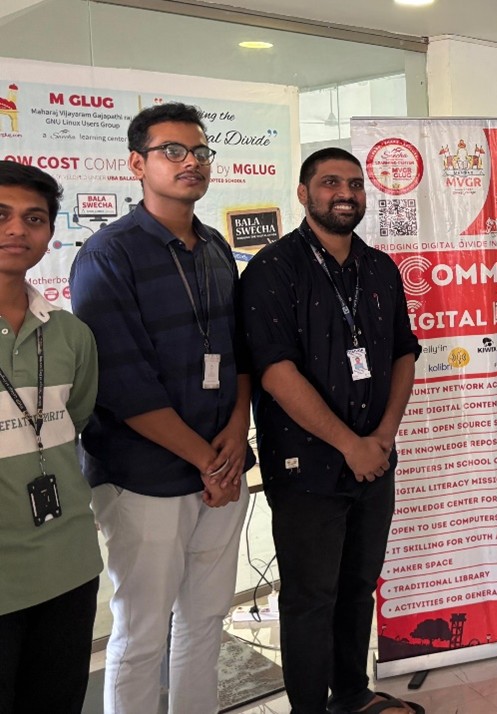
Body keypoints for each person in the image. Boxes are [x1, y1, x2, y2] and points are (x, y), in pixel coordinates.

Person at [69, 102, 253, 714]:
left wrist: (236, 433)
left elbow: (240, 352)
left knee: (206, 620)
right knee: (143, 631)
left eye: (200, 152)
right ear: (136, 164)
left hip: (220, 467)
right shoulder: (108, 255)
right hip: (144, 475)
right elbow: (125, 385)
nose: (190, 162)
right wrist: (209, 461)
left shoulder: (215, 247)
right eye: (172, 151)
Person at [240, 148, 422, 714]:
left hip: (375, 460)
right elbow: (275, 372)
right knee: (310, 598)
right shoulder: (273, 269)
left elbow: (404, 353)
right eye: (330, 183)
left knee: (358, 587)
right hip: (307, 468)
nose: (345, 193)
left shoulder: (380, 267)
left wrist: (382, 438)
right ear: (303, 194)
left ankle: (351, 694)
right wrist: (350, 445)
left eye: (355, 184)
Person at [0, 162, 100, 714]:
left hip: (68, 564)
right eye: (1, 215)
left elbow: (74, 421)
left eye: (33, 218)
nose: (17, 229)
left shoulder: (70, 334)